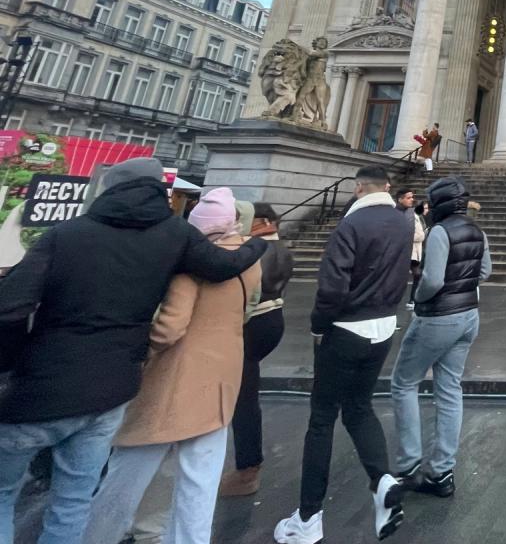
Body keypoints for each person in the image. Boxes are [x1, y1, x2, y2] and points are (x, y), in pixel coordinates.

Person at [0, 158, 265, 544]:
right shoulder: (174, 235)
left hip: (40, 384)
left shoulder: (66, 233)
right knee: (73, 498)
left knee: (7, 493)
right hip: (114, 387)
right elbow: (225, 265)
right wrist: (260, 242)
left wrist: (11, 365)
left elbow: (11, 306)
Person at [84, 187, 263, 544]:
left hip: (176, 377)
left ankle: (96, 536)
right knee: (200, 482)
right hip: (222, 376)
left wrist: (142, 349)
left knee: (127, 473)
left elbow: (169, 328)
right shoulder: (250, 259)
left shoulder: (190, 264)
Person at [274, 165, 414, 544]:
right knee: (360, 407)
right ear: (386, 187)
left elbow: (332, 289)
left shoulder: (350, 226)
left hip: (346, 328)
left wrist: (318, 325)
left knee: (321, 420)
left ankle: (308, 517)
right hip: (384, 327)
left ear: (356, 189)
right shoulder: (403, 222)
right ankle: (382, 479)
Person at [390, 177, 491, 499]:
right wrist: (462, 283)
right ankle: (441, 472)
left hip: (439, 317)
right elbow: (485, 271)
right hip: (469, 316)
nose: (428, 208)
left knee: (404, 383)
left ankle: (408, 466)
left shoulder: (440, 232)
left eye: (431, 203)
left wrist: (418, 296)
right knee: (449, 389)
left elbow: (432, 279)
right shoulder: (476, 230)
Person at [220, 202, 294, 497]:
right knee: (243, 391)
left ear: (261, 221)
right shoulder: (284, 250)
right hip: (274, 318)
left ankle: (248, 467)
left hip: (252, 322)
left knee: (243, 397)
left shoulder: (253, 250)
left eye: (243, 220)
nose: (239, 225)